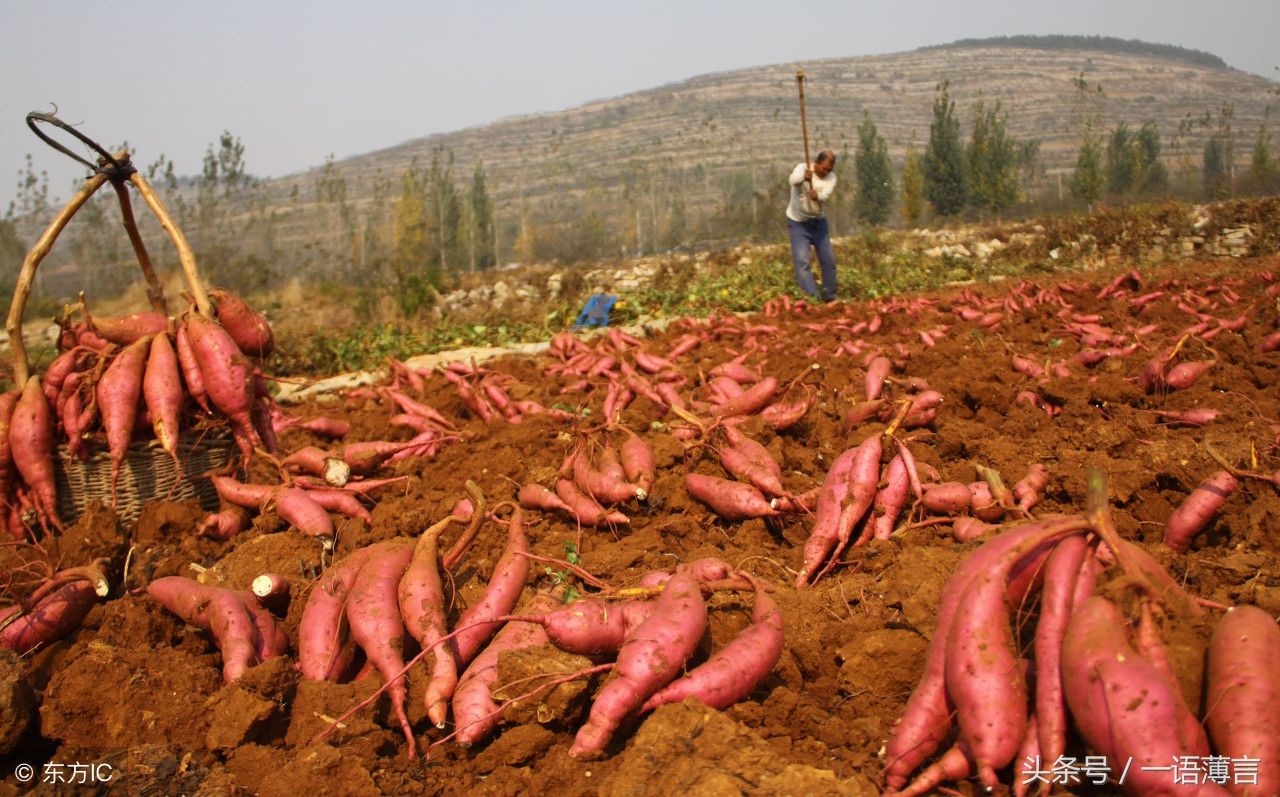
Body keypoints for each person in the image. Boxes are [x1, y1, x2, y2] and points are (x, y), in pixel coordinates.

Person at [785, 149, 838, 302]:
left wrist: (818, 196)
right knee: (802, 262)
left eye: (829, 169)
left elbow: (825, 195)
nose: (826, 172)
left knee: (828, 260)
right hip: (798, 224)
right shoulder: (802, 168)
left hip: (818, 223)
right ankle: (811, 299)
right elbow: (792, 180)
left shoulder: (831, 178)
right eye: (824, 168)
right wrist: (803, 177)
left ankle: (830, 296)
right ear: (817, 163)